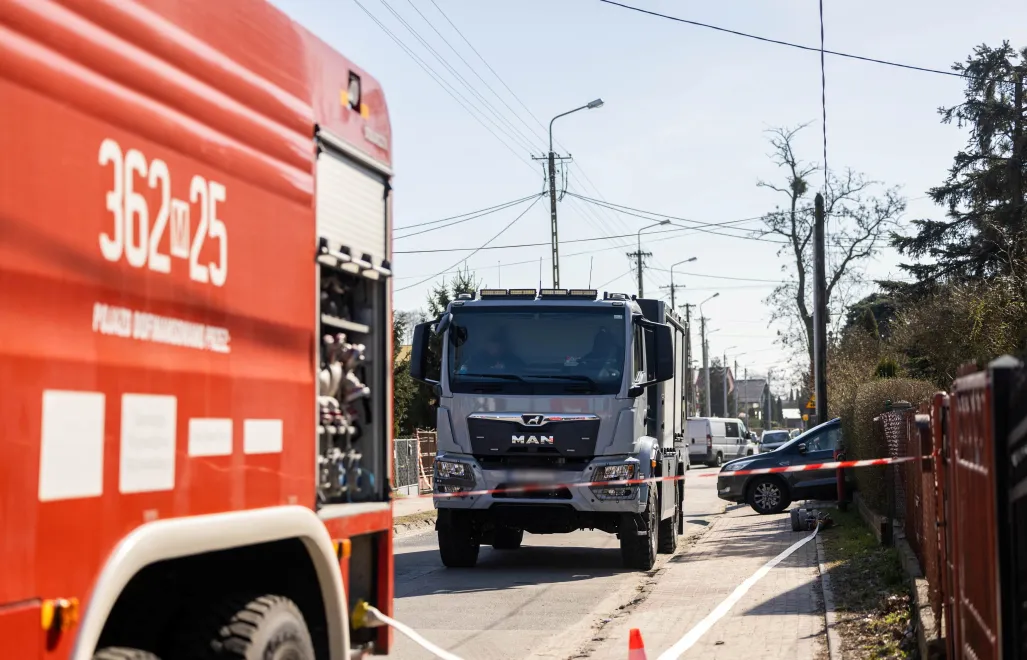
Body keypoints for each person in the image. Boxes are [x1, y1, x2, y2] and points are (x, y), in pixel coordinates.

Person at [459, 327, 523, 373]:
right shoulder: (477, 359)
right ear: (487, 345)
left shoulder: (512, 359)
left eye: (499, 346)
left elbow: (522, 370)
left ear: (504, 346)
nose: (496, 349)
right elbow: (465, 371)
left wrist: (505, 368)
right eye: (493, 346)